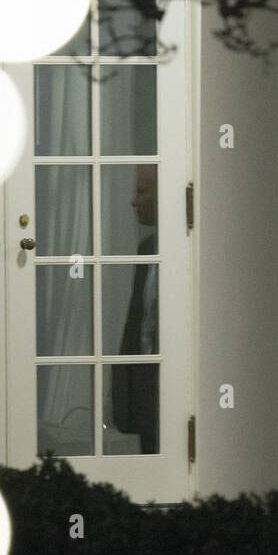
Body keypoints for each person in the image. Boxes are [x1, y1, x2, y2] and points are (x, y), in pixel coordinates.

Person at [112, 164, 159, 454]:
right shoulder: (147, 249)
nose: (133, 200)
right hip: (144, 387)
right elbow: (136, 324)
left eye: (142, 191)